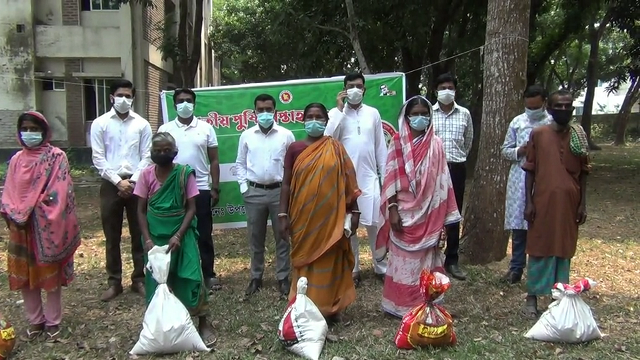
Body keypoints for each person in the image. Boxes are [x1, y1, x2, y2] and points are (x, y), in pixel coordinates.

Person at [375, 96, 461, 317]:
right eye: (416, 114)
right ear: (407, 117)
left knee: (425, 261)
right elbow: (390, 177)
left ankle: (424, 305)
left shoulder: (437, 144)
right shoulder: (396, 142)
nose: (420, 117)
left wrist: (441, 217)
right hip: (403, 212)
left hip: (430, 213)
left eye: (425, 113)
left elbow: (443, 181)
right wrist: (392, 209)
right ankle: (398, 306)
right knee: (402, 262)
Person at [1, 111, 81, 341]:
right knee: (25, 273)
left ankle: (53, 320)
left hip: (46, 224)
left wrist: (33, 210)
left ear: (45, 132)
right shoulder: (16, 160)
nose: (29, 134)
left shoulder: (56, 157)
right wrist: (14, 211)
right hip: (20, 225)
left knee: (49, 273)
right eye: (25, 129)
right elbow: (9, 190)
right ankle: (35, 320)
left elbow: (60, 190)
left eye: (34, 129)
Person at [279, 103, 360, 321]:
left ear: (326, 121)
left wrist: (355, 212)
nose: (314, 120)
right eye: (310, 116)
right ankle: (303, 307)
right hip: (303, 219)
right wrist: (282, 215)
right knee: (305, 261)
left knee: (330, 259)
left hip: (331, 220)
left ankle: (330, 308)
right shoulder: (295, 149)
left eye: (319, 117)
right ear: (303, 120)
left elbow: (348, 183)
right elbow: (286, 184)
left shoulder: (335, 148)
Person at [134, 132, 216, 345]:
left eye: (167, 150)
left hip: (182, 233)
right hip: (155, 237)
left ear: (175, 152)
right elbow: (141, 211)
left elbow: (191, 208)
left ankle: (203, 323)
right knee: (158, 281)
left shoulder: (184, 174)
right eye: (158, 150)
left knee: (192, 277)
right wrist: (148, 240)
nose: (162, 154)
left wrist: (179, 234)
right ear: (151, 153)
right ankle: (161, 325)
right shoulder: (145, 175)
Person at [522, 90, 590, 318]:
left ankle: (559, 296)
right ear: (549, 109)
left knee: (564, 247)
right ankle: (532, 296)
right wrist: (528, 202)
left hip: (570, 204)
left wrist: (582, 204)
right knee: (539, 245)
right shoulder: (539, 134)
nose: (563, 110)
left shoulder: (579, 135)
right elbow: (530, 170)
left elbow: (584, 172)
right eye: (558, 106)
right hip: (542, 202)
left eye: (567, 106)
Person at [90, 79, 152, 301]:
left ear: (133, 97)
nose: (124, 99)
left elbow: (147, 156)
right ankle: (114, 281)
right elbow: (98, 157)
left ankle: (139, 279)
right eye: (120, 95)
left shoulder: (142, 124)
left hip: (138, 183)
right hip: (110, 183)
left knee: (140, 232)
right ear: (111, 97)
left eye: (128, 95)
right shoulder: (100, 123)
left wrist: (133, 181)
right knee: (112, 234)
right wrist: (118, 182)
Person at [324, 73, 388, 287]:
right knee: (349, 226)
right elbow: (327, 139)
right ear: (343, 89)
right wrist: (340, 110)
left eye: (358, 86)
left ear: (364, 89)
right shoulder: (335, 113)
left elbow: (380, 147)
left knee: (375, 224)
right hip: (345, 179)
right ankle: (354, 269)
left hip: (369, 177)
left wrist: (385, 176)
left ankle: (381, 267)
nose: (354, 89)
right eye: (350, 86)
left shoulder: (373, 114)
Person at [157, 88, 222, 291]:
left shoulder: (206, 128)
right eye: (180, 101)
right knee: (174, 232)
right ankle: (171, 276)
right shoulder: (165, 129)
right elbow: (158, 160)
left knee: (203, 233)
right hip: (172, 188)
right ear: (174, 105)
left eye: (188, 100)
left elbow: (214, 159)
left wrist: (215, 188)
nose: (184, 104)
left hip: (201, 187)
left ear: (194, 104)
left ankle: (208, 274)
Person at [235, 94, 294, 298]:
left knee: (283, 236)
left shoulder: (286, 135)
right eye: (260, 110)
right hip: (254, 193)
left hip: (280, 193)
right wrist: (245, 188)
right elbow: (240, 164)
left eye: (268, 109)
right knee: (255, 237)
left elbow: (293, 164)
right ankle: (256, 277)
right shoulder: (247, 135)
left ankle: (283, 277)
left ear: (275, 111)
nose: (265, 113)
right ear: (254, 113)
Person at [500, 85, 553, 284]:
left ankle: (538, 271)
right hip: (519, 179)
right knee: (519, 226)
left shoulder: (551, 123)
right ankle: (516, 269)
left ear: (544, 103)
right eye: (528, 107)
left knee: (540, 226)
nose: (532, 111)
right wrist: (519, 151)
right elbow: (505, 150)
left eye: (536, 107)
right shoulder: (517, 122)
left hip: (544, 179)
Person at [431, 72, 473, 281]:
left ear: (455, 90)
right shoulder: (428, 113)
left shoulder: (464, 113)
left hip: (456, 167)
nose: (446, 91)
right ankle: (431, 257)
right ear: (435, 91)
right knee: (432, 211)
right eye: (442, 88)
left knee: (453, 214)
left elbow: (468, 141)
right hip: (433, 169)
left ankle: (452, 260)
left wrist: (458, 157)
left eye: (450, 88)